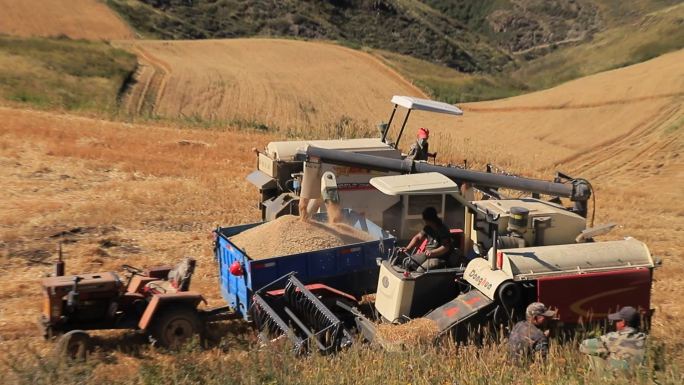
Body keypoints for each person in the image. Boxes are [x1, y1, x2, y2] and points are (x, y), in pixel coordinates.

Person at [580, 306, 647, 375]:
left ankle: (601, 378)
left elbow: (584, 346)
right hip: (638, 375)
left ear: (623, 322)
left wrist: (605, 354)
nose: (615, 323)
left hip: (617, 377)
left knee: (594, 352)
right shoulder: (644, 338)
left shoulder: (612, 337)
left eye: (617, 320)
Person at [400, 207, 452, 271]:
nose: (424, 221)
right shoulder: (428, 228)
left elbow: (446, 247)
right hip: (427, 254)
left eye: (425, 219)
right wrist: (407, 248)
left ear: (430, 219)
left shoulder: (443, 230)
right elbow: (418, 237)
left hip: (439, 257)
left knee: (420, 270)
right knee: (408, 262)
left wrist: (432, 252)